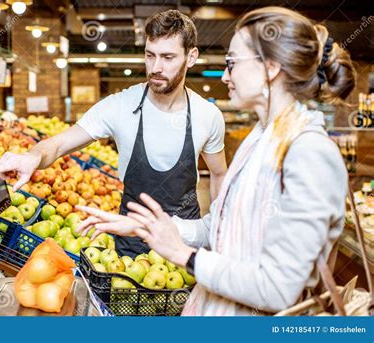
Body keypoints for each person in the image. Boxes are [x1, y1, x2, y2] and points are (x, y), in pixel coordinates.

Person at [76, 6, 356, 315]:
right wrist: (145, 226)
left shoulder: (309, 153)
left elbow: (277, 289)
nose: (224, 75)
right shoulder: (261, 140)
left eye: (232, 63)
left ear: (271, 67)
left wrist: (186, 256)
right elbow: (221, 226)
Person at [0, 10, 227, 258]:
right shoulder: (120, 106)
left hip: (185, 242)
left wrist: (220, 233)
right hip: (131, 246)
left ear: (191, 57)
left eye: (168, 57)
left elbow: (219, 173)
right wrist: (33, 157)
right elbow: (59, 144)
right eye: (150, 55)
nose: (156, 67)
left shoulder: (207, 115)